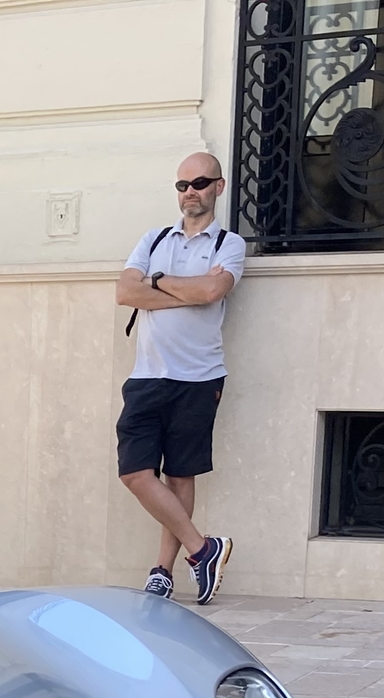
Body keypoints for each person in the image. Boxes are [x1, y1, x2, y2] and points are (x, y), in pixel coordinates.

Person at [114, 152, 242, 606]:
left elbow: (212, 292)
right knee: (135, 472)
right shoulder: (153, 240)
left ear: (218, 188)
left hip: (200, 376)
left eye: (201, 182)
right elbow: (125, 292)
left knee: (180, 475)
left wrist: (159, 283)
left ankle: (163, 572)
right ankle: (203, 549)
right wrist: (183, 291)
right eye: (183, 184)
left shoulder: (228, 244)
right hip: (148, 374)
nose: (191, 191)